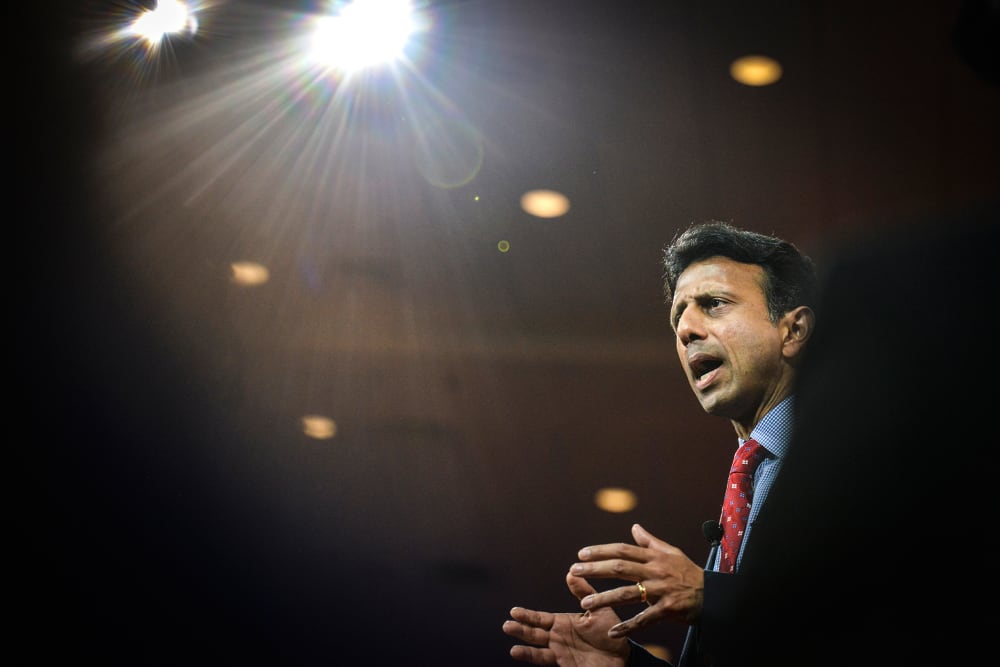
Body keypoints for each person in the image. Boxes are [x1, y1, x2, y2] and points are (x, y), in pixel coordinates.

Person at [503, 220, 819, 666]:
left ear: (793, 330)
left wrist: (710, 595)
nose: (686, 329)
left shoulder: (864, 454)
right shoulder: (748, 481)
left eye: (713, 304)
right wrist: (627, 664)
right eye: (677, 318)